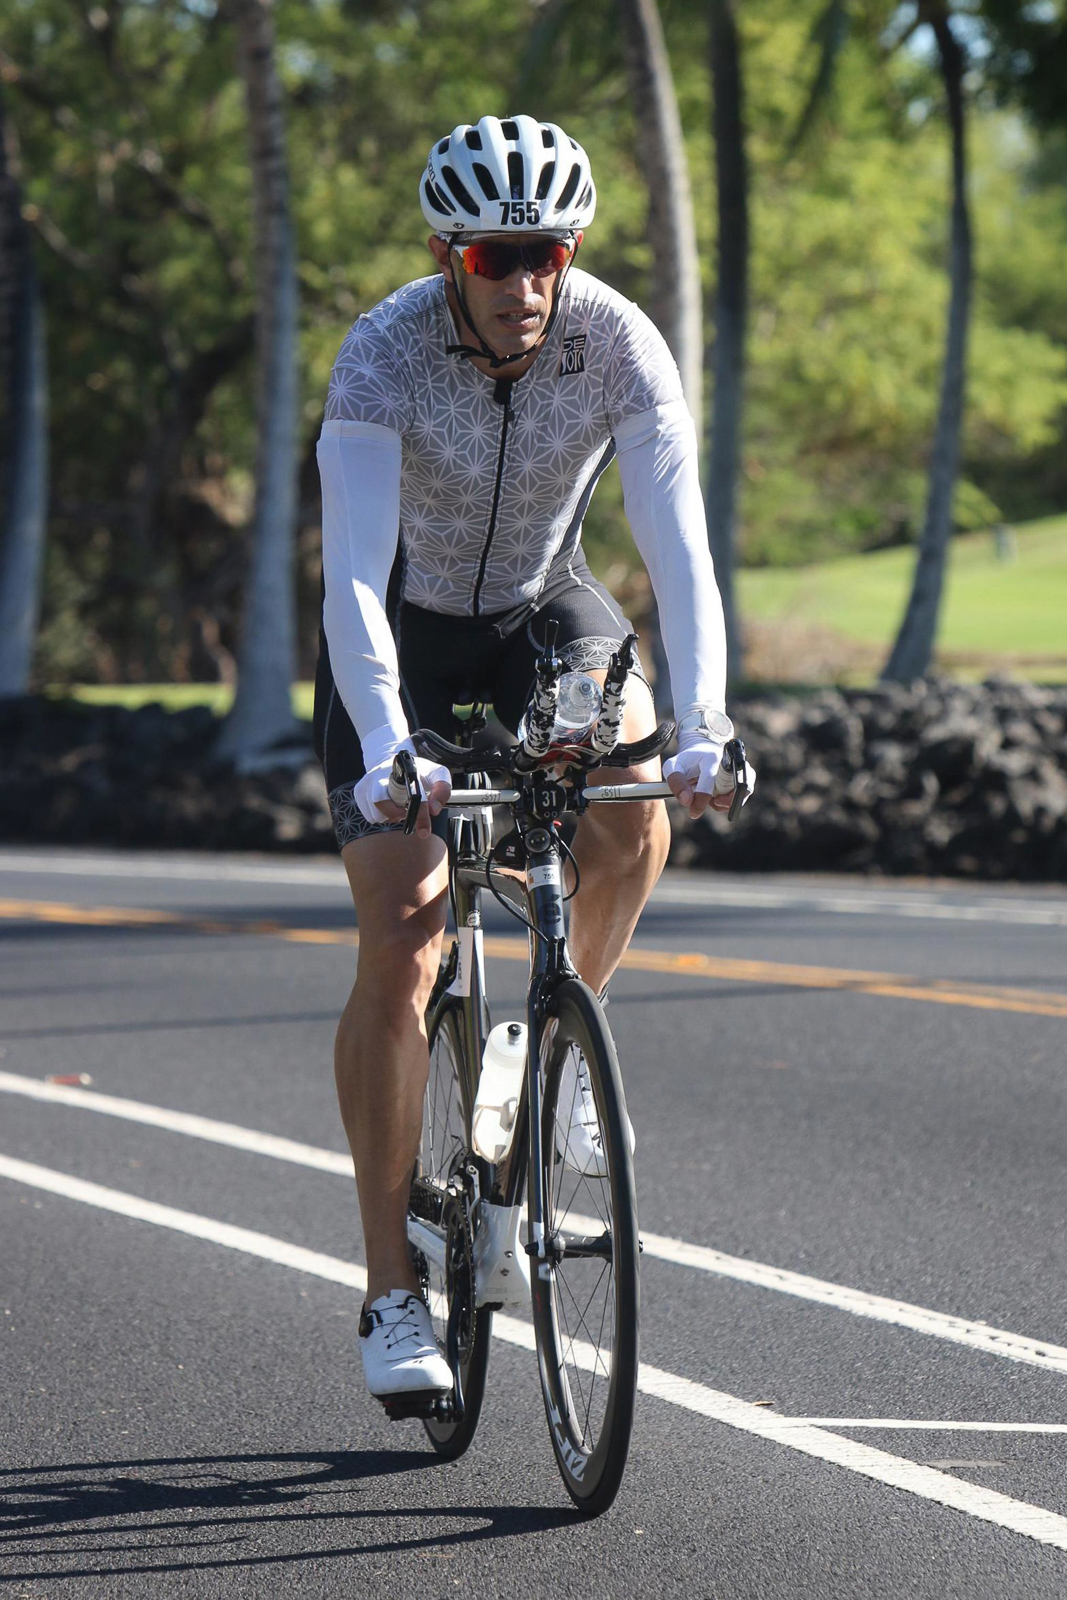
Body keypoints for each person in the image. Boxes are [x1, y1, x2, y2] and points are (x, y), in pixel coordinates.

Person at [315, 114, 751, 1404]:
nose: (523, 282)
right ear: (447, 256)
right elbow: (351, 578)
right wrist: (387, 747)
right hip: (402, 630)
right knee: (406, 937)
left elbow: (680, 548)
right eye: (493, 257)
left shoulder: (617, 340)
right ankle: (392, 1292)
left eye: (547, 253)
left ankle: (559, 1047)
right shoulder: (383, 353)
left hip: (539, 606)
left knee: (634, 811)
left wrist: (706, 724)